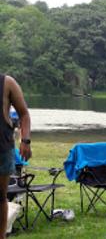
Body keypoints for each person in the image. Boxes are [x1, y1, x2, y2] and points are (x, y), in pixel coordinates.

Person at [0, 74, 31, 239]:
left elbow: (24, 114)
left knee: (0, 196)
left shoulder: (7, 83)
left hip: (2, 150)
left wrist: (25, 141)